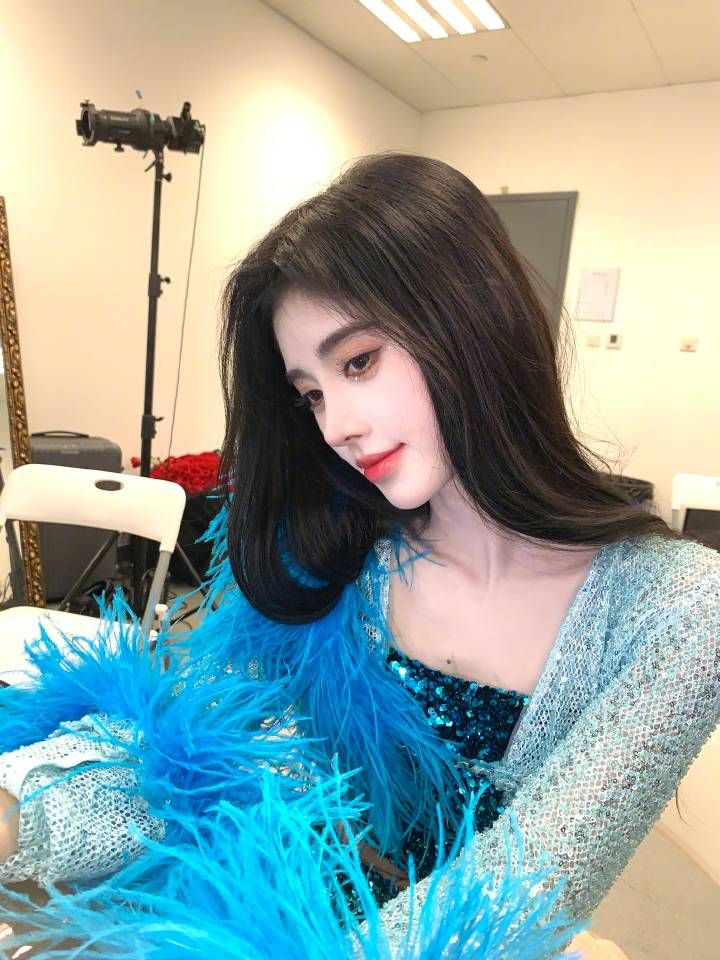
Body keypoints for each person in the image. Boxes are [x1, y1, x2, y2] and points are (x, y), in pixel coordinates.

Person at [0, 153, 717, 959]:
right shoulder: (338, 552)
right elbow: (196, 753)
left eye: (359, 362)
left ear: (470, 319)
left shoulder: (678, 609)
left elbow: (520, 889)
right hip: (282, 900)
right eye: (311, 393)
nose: (335, 424)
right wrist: (23, 812)